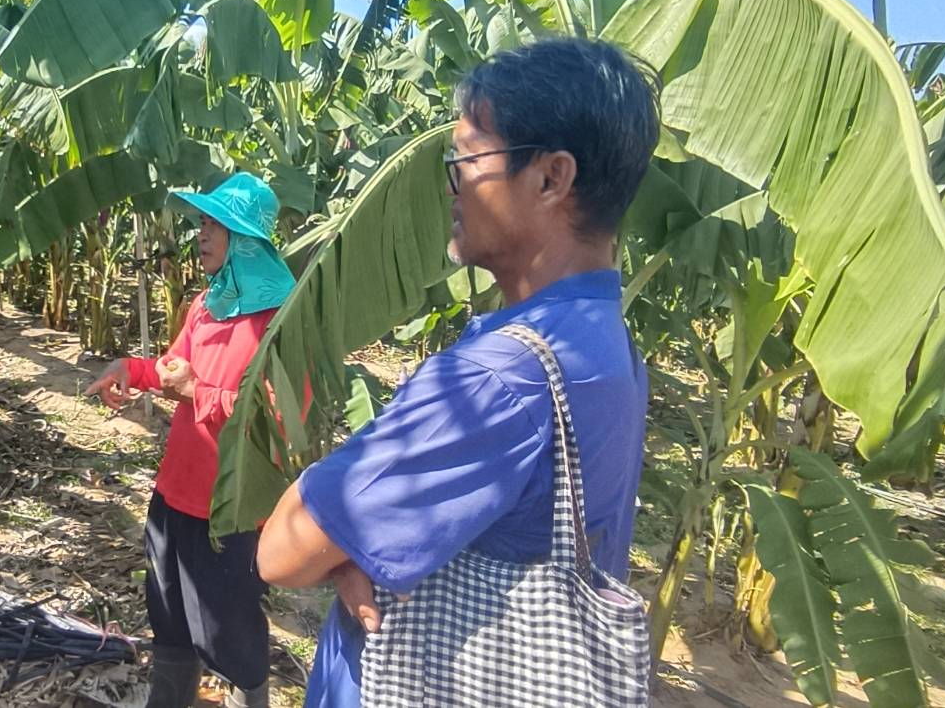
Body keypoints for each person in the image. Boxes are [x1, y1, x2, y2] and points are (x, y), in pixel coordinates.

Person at [255, 38, 659, 706]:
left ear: (551, 178)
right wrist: (351, 549)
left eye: (466, 158)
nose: (450, 181)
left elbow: (282, 551)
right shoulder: (605, 341)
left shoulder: (499, 379)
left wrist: (343, 546)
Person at [86, 172, 297, 708]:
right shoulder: (207, 304)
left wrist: (198, 391)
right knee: (169, 618)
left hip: (229, 508)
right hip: (174, 492)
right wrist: (131, 369)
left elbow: (280, 417)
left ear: (244, 238)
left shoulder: (282, 322)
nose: (200, 235)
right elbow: (173, 368)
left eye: (212, 225)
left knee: (231, 628)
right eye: (201, 223)